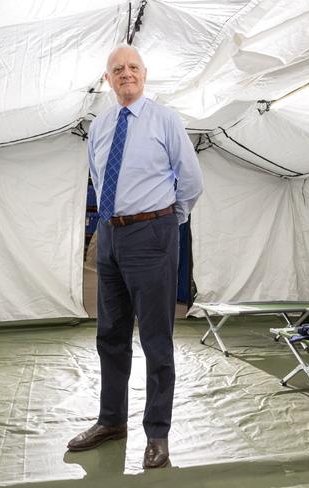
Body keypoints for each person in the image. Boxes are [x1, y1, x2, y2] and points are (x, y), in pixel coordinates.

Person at [67, 43, 203, 469]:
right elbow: (96, 172)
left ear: (144, 75)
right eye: (117, 69)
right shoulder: (101, 124)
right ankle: (111, 420)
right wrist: (110, 222)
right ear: (107, 79)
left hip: (153, 232)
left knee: (156, 339)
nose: (126, 73)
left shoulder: (165, 119)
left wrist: (165, 221)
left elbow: (191, 181)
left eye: (133, 67)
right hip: (109, 234)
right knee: (110, 332)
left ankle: (157, 434)